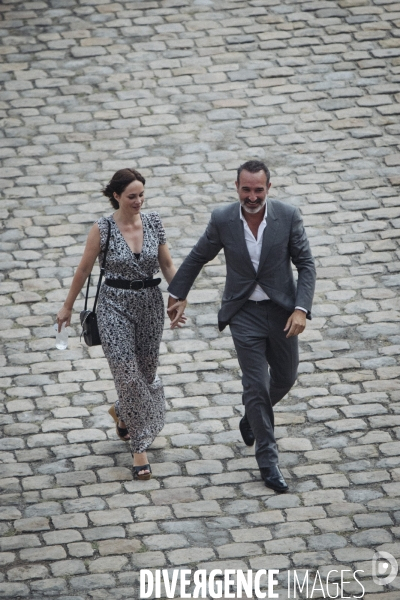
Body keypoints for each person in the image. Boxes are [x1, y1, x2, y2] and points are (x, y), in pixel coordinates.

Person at [167, 160, 316, 493]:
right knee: (256, 387)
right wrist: (177, 293)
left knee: (286, 377)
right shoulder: (223, 220)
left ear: (269, 188)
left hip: (282, 314)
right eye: (246, 189)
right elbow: (197, 256)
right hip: (243, 313)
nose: (252, 196)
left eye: (258, 190)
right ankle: (268, 461)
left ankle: (251, 418)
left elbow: (306, 264)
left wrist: (301, 309)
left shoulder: (288, 216)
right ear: (237, 187)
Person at [57, 168, 186, 480]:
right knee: (127, 376)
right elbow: (84, 269)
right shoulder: (102, 229)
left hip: (150, 306)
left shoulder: (154, 222)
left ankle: (123, 412)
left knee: (146, 372)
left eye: (141, 194)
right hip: (113, 305)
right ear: (116, 196)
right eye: (132, 196)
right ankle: (139, 449)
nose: (139, 201)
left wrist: (178, 296)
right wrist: (67, 306)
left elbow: (167, 263)